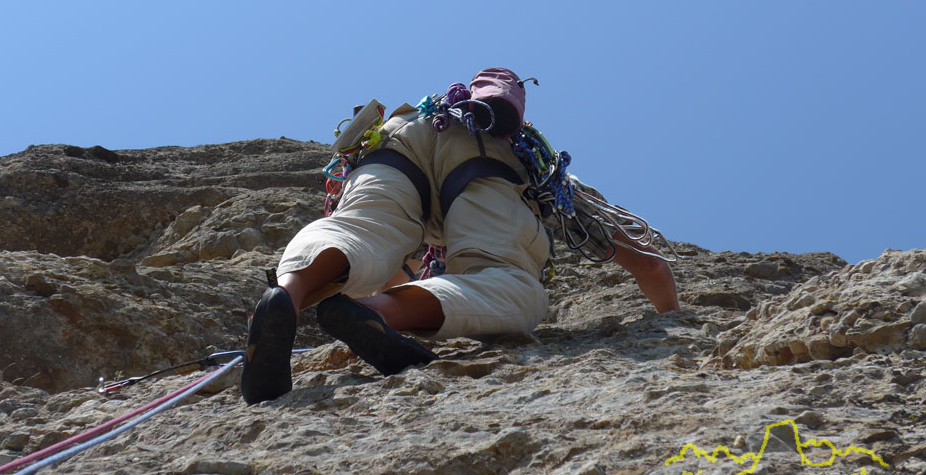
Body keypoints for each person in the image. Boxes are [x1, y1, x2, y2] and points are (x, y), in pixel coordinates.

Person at [240, 68, 679, 404]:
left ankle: (287, 296)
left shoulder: (422, 116)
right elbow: (650, 264)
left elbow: (389, 261)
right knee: (509, 280)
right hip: (487, 164)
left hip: (391, 143)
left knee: (358, 227)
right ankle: (380, 313)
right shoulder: (526, 153)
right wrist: (674, 318)